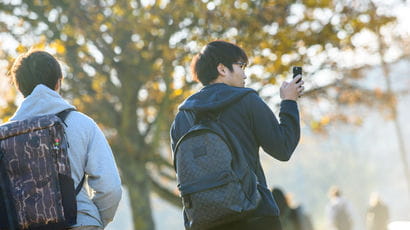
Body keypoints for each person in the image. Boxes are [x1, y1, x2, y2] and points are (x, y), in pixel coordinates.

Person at [170, 40, 304, 229]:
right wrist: (289, 102)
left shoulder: (182, 118)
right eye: (240, 66)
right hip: (255, 216)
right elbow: (283, 148)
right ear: (222, 69)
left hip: (203, 221)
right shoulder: (246, 100)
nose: (244, 74)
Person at [8, 50, 122, 230]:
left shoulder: (5, 136)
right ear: (58, 82)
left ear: (19, 87)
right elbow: (110, 188)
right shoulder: (82, 124)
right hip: (80, 222)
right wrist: (92, 218)